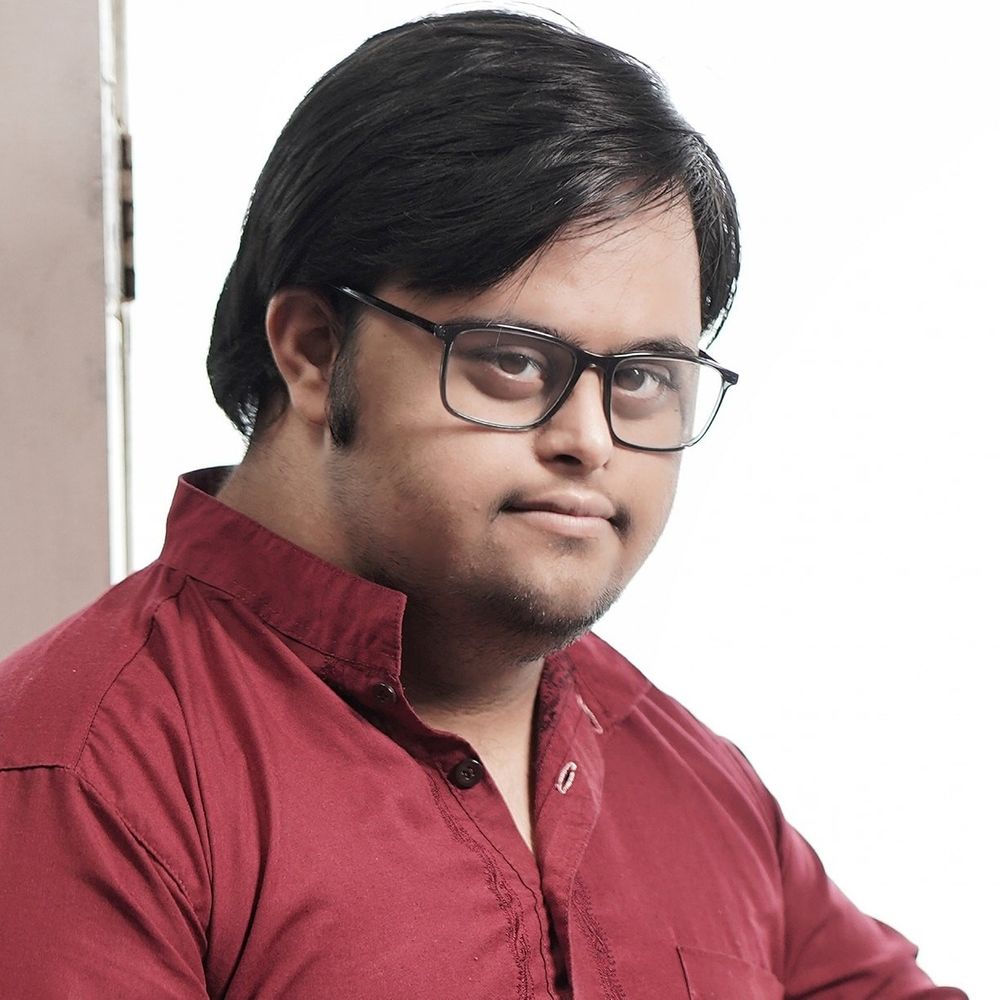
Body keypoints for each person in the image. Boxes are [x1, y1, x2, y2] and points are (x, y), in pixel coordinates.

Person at [0, 10, 966, 999]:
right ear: (313, 350)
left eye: (641, 378)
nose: (590, 438)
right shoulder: (88, 776)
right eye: (513, 360)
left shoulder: (695, 782)